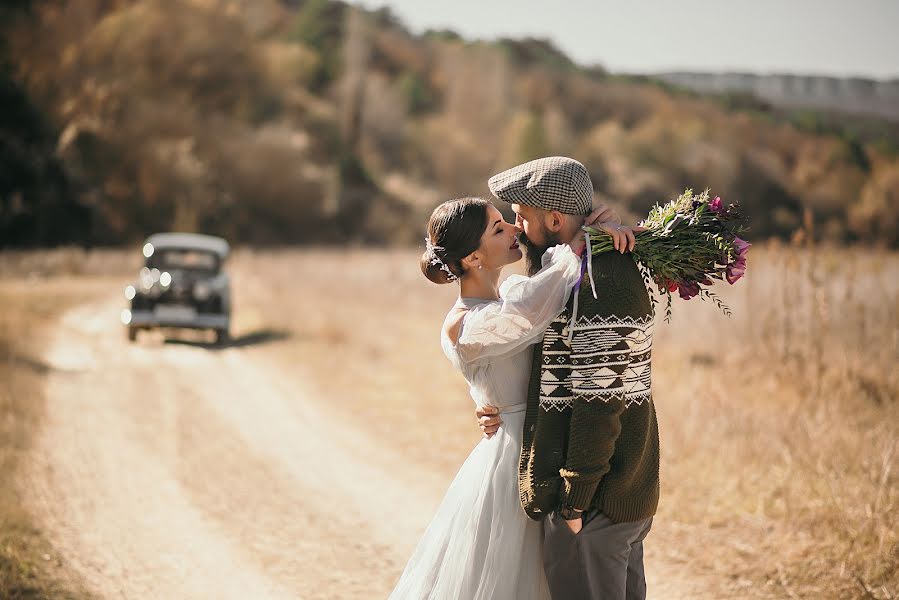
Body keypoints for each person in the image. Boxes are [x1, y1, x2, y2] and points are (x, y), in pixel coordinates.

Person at [388, 196, 637, 600]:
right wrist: (580, 243)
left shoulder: (507, 301)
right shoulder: (466, 322)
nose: (515, 230)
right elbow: (530, 312)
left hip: (543, 444)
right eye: (498, 229)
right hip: (515, 460)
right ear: (472, 257)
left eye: (508, 222)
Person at [477, 156, 659, 600]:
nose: (516, 227)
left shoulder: (601, 278)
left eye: (521, 216)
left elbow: (600, 401)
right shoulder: (569, 272)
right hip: (609, 495)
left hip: (596, 502)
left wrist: (575, 498)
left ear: (555, 219)